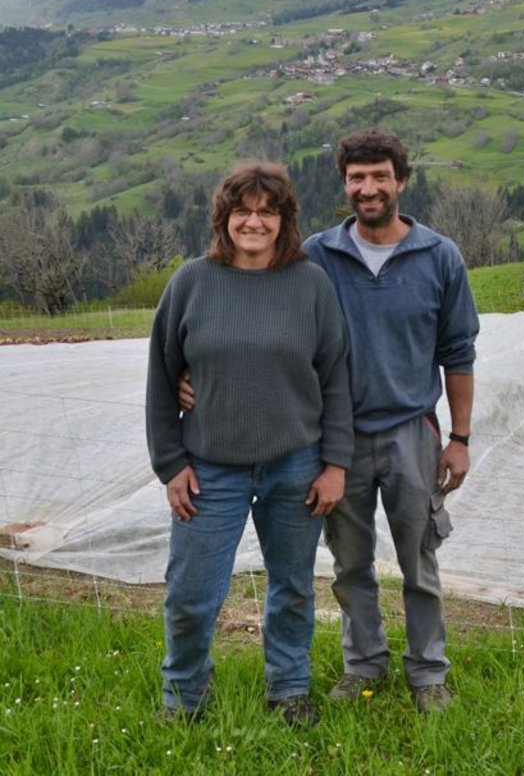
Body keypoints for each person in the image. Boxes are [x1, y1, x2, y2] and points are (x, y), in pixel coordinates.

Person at [147, 162, 352, 727]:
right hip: (210, 469)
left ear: (284, 220)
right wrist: (170, 464)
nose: (254, 221)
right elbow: (162, 378)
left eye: (268, 211)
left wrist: (335, 463)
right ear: (224, 218)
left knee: (292, 589)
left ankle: (288, 690)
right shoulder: (191, 281)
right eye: (243, 210)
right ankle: (184, 696)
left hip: (296, 464)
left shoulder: (310, 283)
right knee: (190, 594)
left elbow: (335, 376)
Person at [306, 129, 479, 712]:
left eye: (380, 176)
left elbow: (458, 354)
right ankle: (364, 664)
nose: (369, 188)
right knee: (349, 562)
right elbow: (276, 330)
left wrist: (459, 438)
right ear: (345, 185)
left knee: (419, 560)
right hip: (338, 438)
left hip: (413, 434)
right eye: (357, 178)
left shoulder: (439, 256)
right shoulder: (317, 256)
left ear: (401, 181)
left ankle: (428, 672)